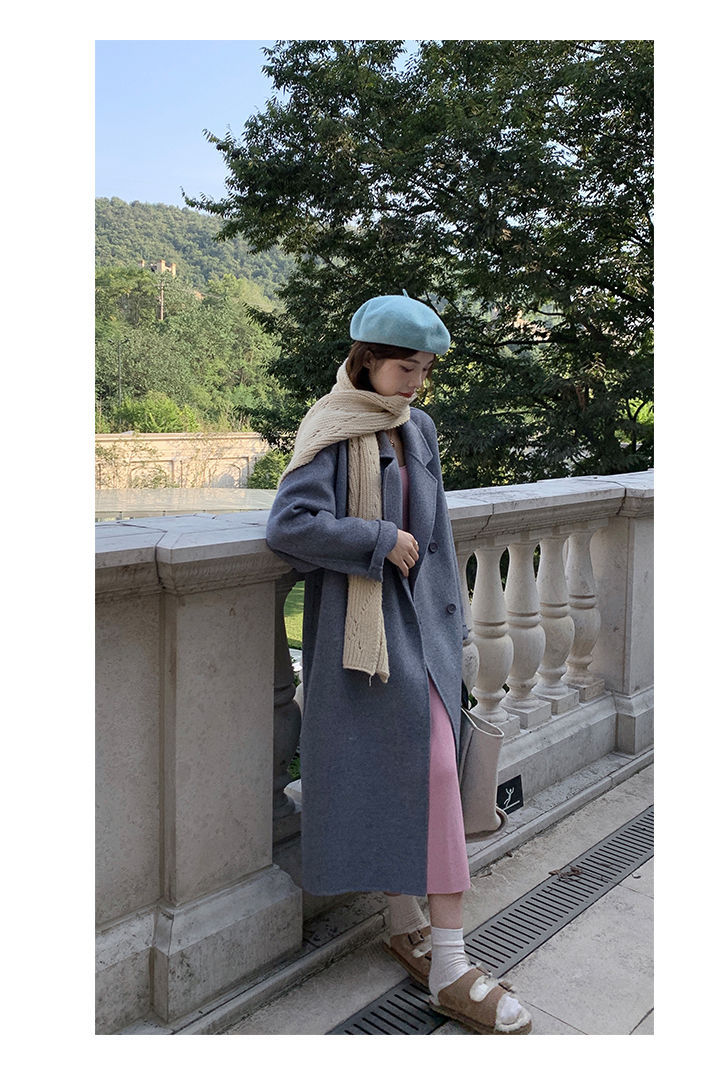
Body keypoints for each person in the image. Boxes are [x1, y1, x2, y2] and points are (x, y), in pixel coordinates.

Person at [266, 292, 532, 1035]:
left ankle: (408, 923)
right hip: (366, 641)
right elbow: (290, 525)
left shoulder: (418, 427)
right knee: (430, 775)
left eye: (424, 369)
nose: (416, 381)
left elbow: (438, 537)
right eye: (404, 367)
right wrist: (377, 540)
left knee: (429, 770)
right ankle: (450, 965)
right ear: (367, 361)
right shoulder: (333, 429)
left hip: (426, 631)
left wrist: (456, 632)